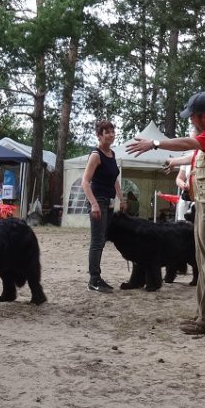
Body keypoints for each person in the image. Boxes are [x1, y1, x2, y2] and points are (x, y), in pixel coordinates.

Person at [127, 91, 205, 335]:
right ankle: (204, 314)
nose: (190, 120)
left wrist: (155, 144)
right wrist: (175, 162)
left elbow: (190, 144)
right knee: (203, 260)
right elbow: (195, 154)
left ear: (204, 117)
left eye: (192, 117)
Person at [81, 119, 125, 292]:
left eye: (113, 131)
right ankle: (94, 279)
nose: (111, 135)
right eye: (107, 132)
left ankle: (97, 276)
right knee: (97, 241)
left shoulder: (112, 155)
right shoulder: (96, 155)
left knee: (102, 239)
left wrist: (121, 198)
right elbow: (85, 182)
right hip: (97, 200)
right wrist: (94, 204)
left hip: (109, 202)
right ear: (99, 136)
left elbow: (114, 179)